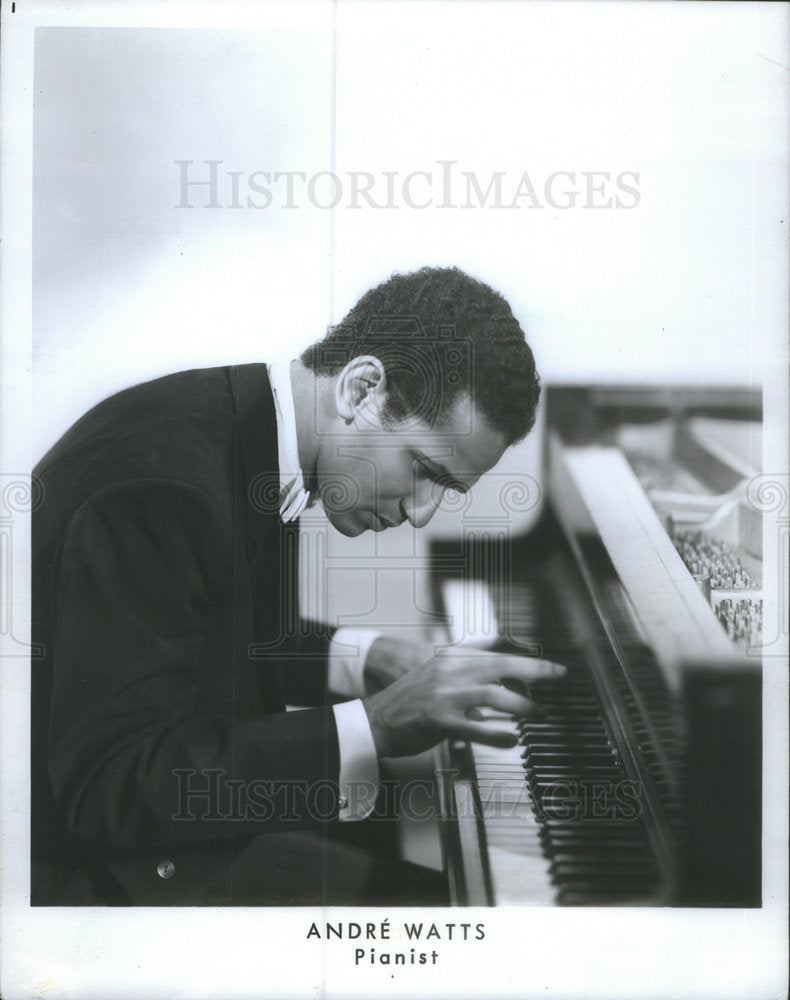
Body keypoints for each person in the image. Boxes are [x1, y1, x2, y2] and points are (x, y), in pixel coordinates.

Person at [31, 265, 564, 906]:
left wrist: (365, 659)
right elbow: (111, 786)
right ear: (362, 387)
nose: (422, 512)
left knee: (404, 851)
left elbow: (201, 636)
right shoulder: (163, 488)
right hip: (92, 877)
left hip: (151, 834)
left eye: (446, 490)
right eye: (423, 470)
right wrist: (381, 723)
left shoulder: (243, 427)